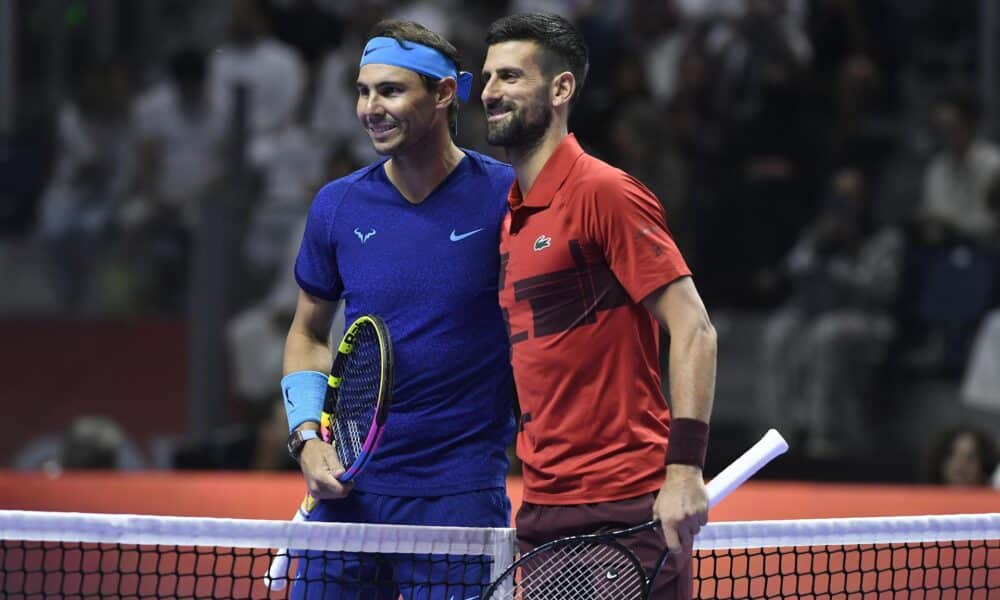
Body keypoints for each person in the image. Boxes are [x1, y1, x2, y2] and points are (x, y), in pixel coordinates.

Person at [481, 13, 717, 600]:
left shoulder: (604, 192)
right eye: (487, 77)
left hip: (625, 504)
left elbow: (694, 330)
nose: (489, 92)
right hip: (542, 506)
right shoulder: (510, 217)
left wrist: (684, 470)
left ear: (561, 89)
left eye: (510, 76)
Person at [281, 19, 516, 599]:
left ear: (443, 94)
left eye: (390, 91)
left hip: (459, 495)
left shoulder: (509, 197)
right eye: (363, 91)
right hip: (347, 490)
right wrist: (308, 438)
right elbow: (309, 333)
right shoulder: (336, 205)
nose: (370, 108)